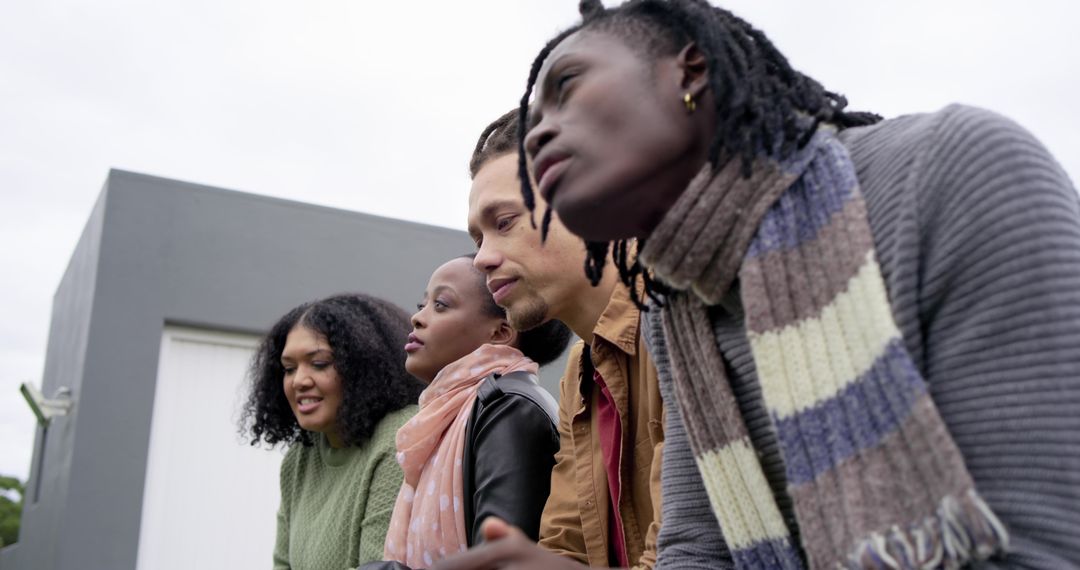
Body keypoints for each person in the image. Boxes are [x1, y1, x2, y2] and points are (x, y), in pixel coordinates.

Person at [512, 1, 1080, 569]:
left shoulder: (952, 173)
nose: (535, 141)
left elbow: (1045, 547)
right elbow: (698, 552)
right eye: (531, 126)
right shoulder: (676, 308)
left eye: (568, 85)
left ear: (692, 70)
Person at [433, 111, 666, 570]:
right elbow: (564, 548)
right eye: (477, 238)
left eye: (503, 222)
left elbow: (692, 554)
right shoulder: (579, 372)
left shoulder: (683, 317)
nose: (481, 258)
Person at [367, 255, 569, 569]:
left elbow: (498, 561)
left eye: (441, 305)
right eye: (422, 305)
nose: (417, 318)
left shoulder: (510, 408)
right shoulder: (451, 414)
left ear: (500, 333)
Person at [241, 293, 424, 570]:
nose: (299, 381)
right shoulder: (300, 458)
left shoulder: (398, 438)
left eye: (319, 364)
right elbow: (282, 564)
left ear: (363, 366)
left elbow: (379, 566)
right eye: (289, 369)